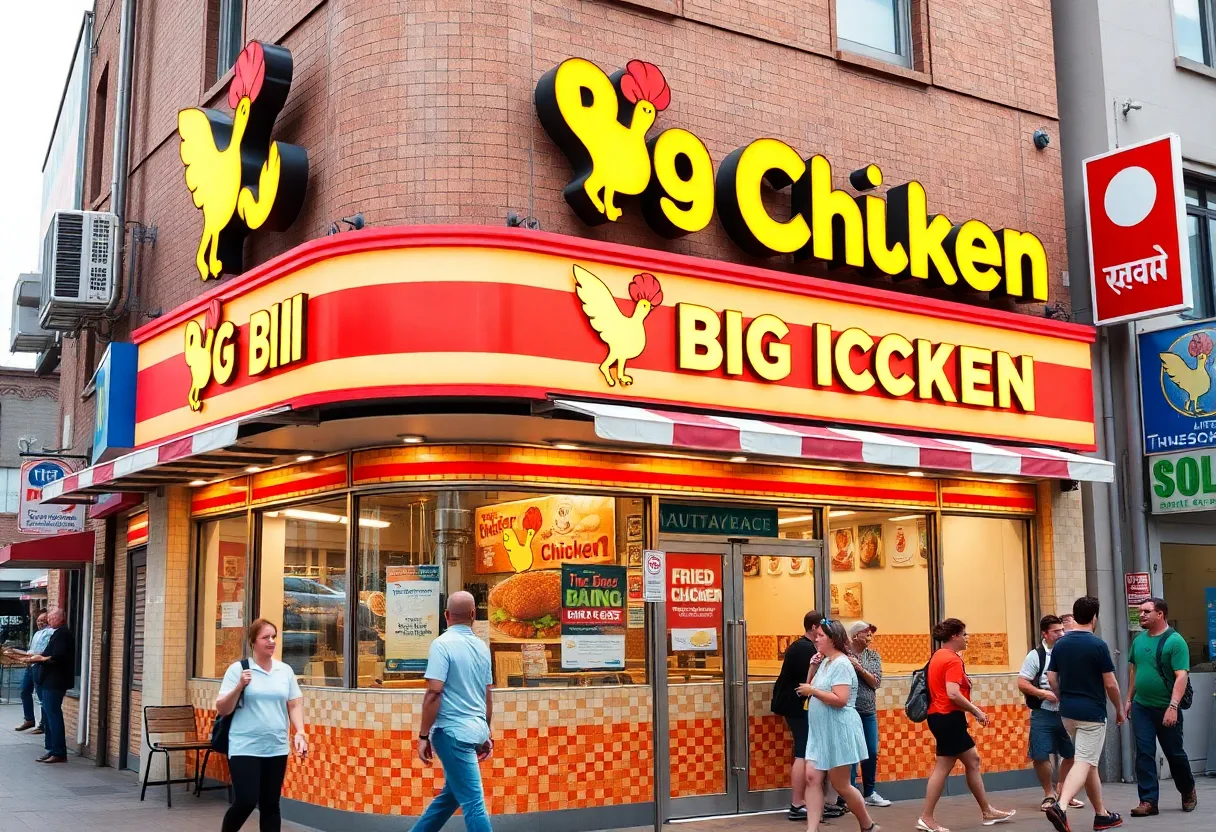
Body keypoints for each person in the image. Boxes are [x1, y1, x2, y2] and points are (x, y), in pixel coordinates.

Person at [916, 618, 1015, 832]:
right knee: (943, 766)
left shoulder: (938, 656)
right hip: (948, 717)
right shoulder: (952, 659)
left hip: (941, 717)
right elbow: (952, 693)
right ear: (955, 636)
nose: (967, 638)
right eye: (964, 634)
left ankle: (987, 811)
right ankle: (926, 817)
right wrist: (976, 710)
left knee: (973, 760)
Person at [216, 618, 308, 832]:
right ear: (253, 642)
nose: (271, 641)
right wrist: (239, 686)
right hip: (244, 747)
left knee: (270, 805)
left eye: (274, 637)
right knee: (246, 802)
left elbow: (294, 704)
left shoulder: (284, 671)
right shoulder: (238, 670)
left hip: (276, 747)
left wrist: (300, 732)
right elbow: (222, 708)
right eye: (266, 637)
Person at [414, 591, 494, 832]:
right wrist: (486, 733)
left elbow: (434, 692)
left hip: (452, 734)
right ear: (474, 614)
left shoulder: (441, 644)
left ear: (446, 615)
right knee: (451, 797)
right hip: (474, 730)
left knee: (473, 804)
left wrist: (423, 736)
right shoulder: (482, 647)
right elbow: (487, 694)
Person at [1045, 596, 1124, 832]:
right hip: (1092, 713)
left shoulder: (1061, 644)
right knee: (1084, 761)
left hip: (1067, 713)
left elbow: (1051, 678)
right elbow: (1110, 684)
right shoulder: (1097, 645)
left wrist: (1061, 696)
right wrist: (1119, 708)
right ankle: (1061, 805)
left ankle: (1102, 815)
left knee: (1089, 764)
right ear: (1094, 617)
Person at [796, 619, 878, 832]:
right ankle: (812, 829)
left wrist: (813, 691)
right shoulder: (825, 662)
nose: (816, 639)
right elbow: (809, 687)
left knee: (841, 785)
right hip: (821, 732)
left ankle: (867, 824)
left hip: (838, 730)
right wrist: (812, 667)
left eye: (821, 636)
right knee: (812, 777)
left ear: (833, 639)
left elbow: (840, 699)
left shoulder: (841, 663)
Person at [1125, 597, 1197, 816]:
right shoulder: (1138, 641)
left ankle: (1187, 790)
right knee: (1144, 752)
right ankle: (1148, 801)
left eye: (1146, 611)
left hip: (1166, 707)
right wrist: (1129, 699)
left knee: (1174, 754)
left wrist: (1173, 707)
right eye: (1140, 611)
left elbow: (1181, 676)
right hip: (1142, 706)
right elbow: (1135, 670)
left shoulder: (1175, 641)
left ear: (1160, 614)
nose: (1141, 615)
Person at [1017, 615, 1080, 811]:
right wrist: (1042, 693)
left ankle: (1063, 791)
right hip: (1042, 712)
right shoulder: (1036, 655)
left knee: (1071, 754)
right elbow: (1022, 682)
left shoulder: (1069, 651)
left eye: (1062, 630)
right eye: (1056, 631)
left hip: (1067, 712)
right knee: (1040, 755)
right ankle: (1049, 794)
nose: (1061, 634)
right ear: (1045, 634)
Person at [772, 610, 824, 822]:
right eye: (822, 629)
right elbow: (810, 681)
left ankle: (802, 801)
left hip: (797, 705)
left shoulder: (802, 647)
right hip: (797, 707)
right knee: (803, 752)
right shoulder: (804, 649)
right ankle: (797, 802)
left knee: (804, 751)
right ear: (814, 627)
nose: (823, 634)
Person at [847, 621, 890, 808]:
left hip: (868, 711)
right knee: (851, 753)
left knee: (871, 751)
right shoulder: (844, 655)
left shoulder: (872, 656)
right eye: (866, 633)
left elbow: (875, 682)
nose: (870, 636)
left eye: (871, 633)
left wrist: (859, 668)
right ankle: (850, 795)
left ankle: (870, 792)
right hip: (849, 711)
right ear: (855, 635)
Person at [26, 607, 73, 764]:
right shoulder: (56, 633)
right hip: (48, 680)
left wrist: (41, 659)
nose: (49, 621)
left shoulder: (63, 634)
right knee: (47, 714)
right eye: (49, 618)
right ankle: (51, 749)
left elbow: (58, 656)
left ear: (60, 619)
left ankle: (58, 752)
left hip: (56, 681)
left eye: (52, 618)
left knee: (53, 715)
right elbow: (48, 654)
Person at [10, 613, 51, 732]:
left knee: (41, 696)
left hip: (40, 666)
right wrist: (16, 653)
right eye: (38, 620)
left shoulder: (50, 633)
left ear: (48, 621)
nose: (40, 623)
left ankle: (43, 725)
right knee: (24, 691)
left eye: (43, 620)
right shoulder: (37, 633)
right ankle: (29, 719)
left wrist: (28, 656)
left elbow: (43, 652)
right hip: (30, 665)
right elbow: (31, 650)